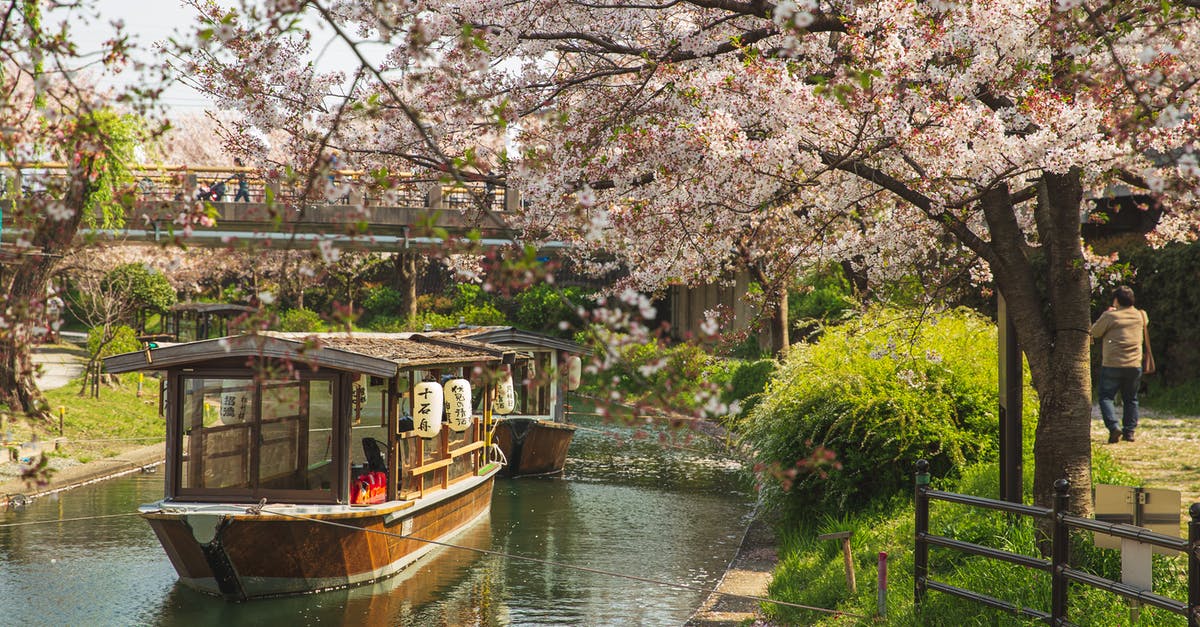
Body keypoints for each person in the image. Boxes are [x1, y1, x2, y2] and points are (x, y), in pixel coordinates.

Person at [1091, 285, 1149, 443]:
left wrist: (1108, 312)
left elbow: (1094, 332)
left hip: (1112, 364)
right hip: (1133, 365)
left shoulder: (1111, 317)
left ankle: (1113, 427)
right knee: (1131, 398)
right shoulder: (1140, 315)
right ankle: (1129, 432)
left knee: (1106, 397)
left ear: (1116, 300)